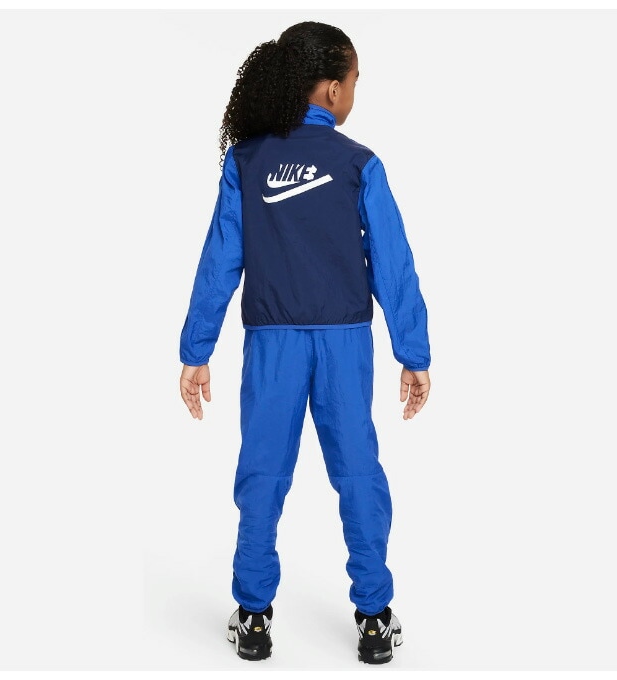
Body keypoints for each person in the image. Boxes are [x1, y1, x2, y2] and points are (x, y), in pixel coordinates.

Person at [178, 20, 431, 665]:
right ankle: (374, 617)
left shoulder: (247, 162)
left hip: (272, 347)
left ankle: (252, 615)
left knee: (262, 473)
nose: (354, 95)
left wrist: (196, 350)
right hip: (344, 344)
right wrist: (413, 353)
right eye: (354, 82)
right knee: (358, 473)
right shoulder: (358, 163)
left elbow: (219, 261)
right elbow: (394, 264)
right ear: (330, 89)